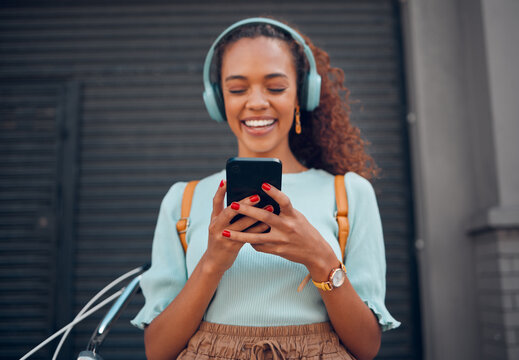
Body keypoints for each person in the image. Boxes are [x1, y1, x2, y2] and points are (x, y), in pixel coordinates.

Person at [131, 17, 400, 360]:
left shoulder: (349, 193)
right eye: (237, 89)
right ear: (218, 100)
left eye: (275, 87)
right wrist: (212, 262)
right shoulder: (182, 200)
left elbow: (367, 347)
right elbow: (158, 351)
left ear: (302, 95)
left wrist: (320, 258)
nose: (256, 102)